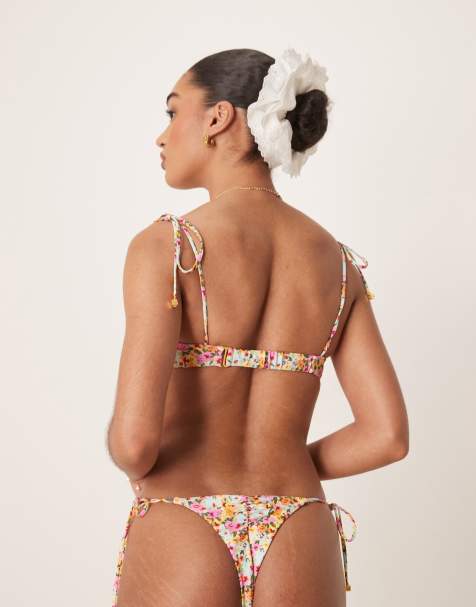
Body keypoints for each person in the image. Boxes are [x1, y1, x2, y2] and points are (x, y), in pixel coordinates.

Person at [106, 47, 409, 607]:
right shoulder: (338, 263)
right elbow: (386, 436)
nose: (162, 136)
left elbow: (134, 443)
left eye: (173, 113)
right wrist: (280, 462)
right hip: (300, 525)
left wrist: (138, 462)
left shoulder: (167, 246)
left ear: (218, 118)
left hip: (184, 519)